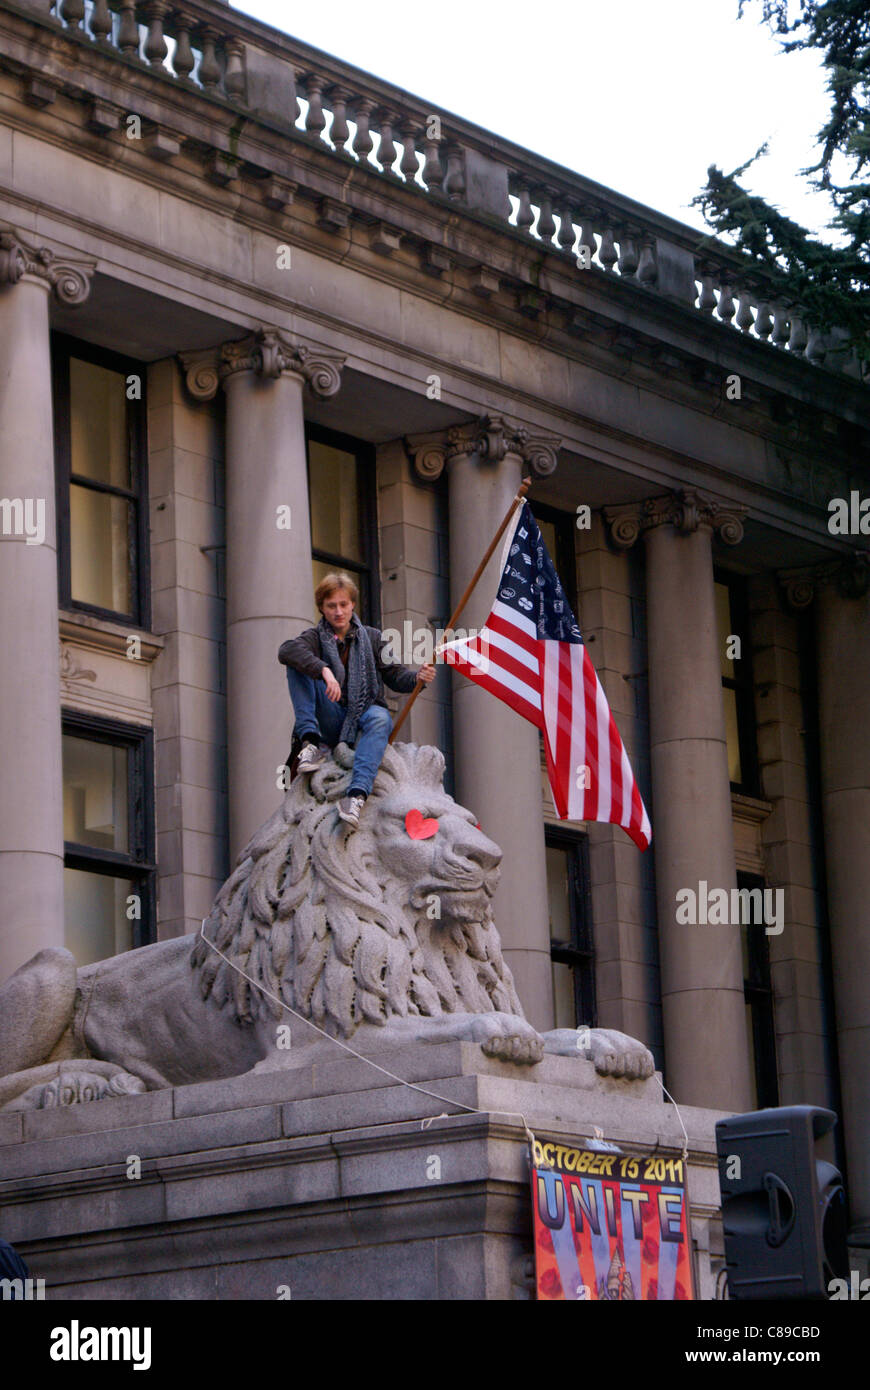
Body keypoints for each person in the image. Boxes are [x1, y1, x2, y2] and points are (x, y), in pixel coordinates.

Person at [279, 573, 435, 828]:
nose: (338, 612)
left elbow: (395, 675)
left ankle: (356, 795)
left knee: (380, 717)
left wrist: (419, 677)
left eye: (343, 604)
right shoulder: (314, 638)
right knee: (297, 663)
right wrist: (323, 670)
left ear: (353, 605)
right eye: (331, 606)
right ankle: (310, 743)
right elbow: (286, 651)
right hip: (330, 716)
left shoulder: (373, 638)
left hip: (362, 714)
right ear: (322, 608)